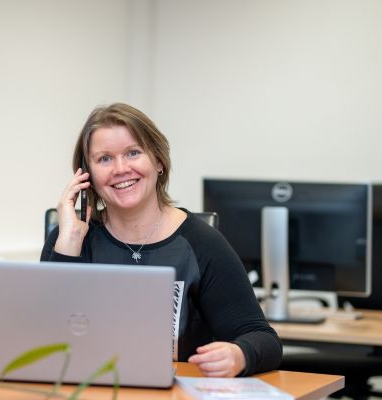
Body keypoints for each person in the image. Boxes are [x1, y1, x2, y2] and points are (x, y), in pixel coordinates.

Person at [40, 102, 282, 377]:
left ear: (158, 162)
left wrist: (240, 355)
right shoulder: (68, 238)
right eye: (104, 159)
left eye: (133, 153)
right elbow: (42, 343)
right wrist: (69, 241)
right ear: (86, 175)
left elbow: (264, 340)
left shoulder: (202, 243)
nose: (120, 168)